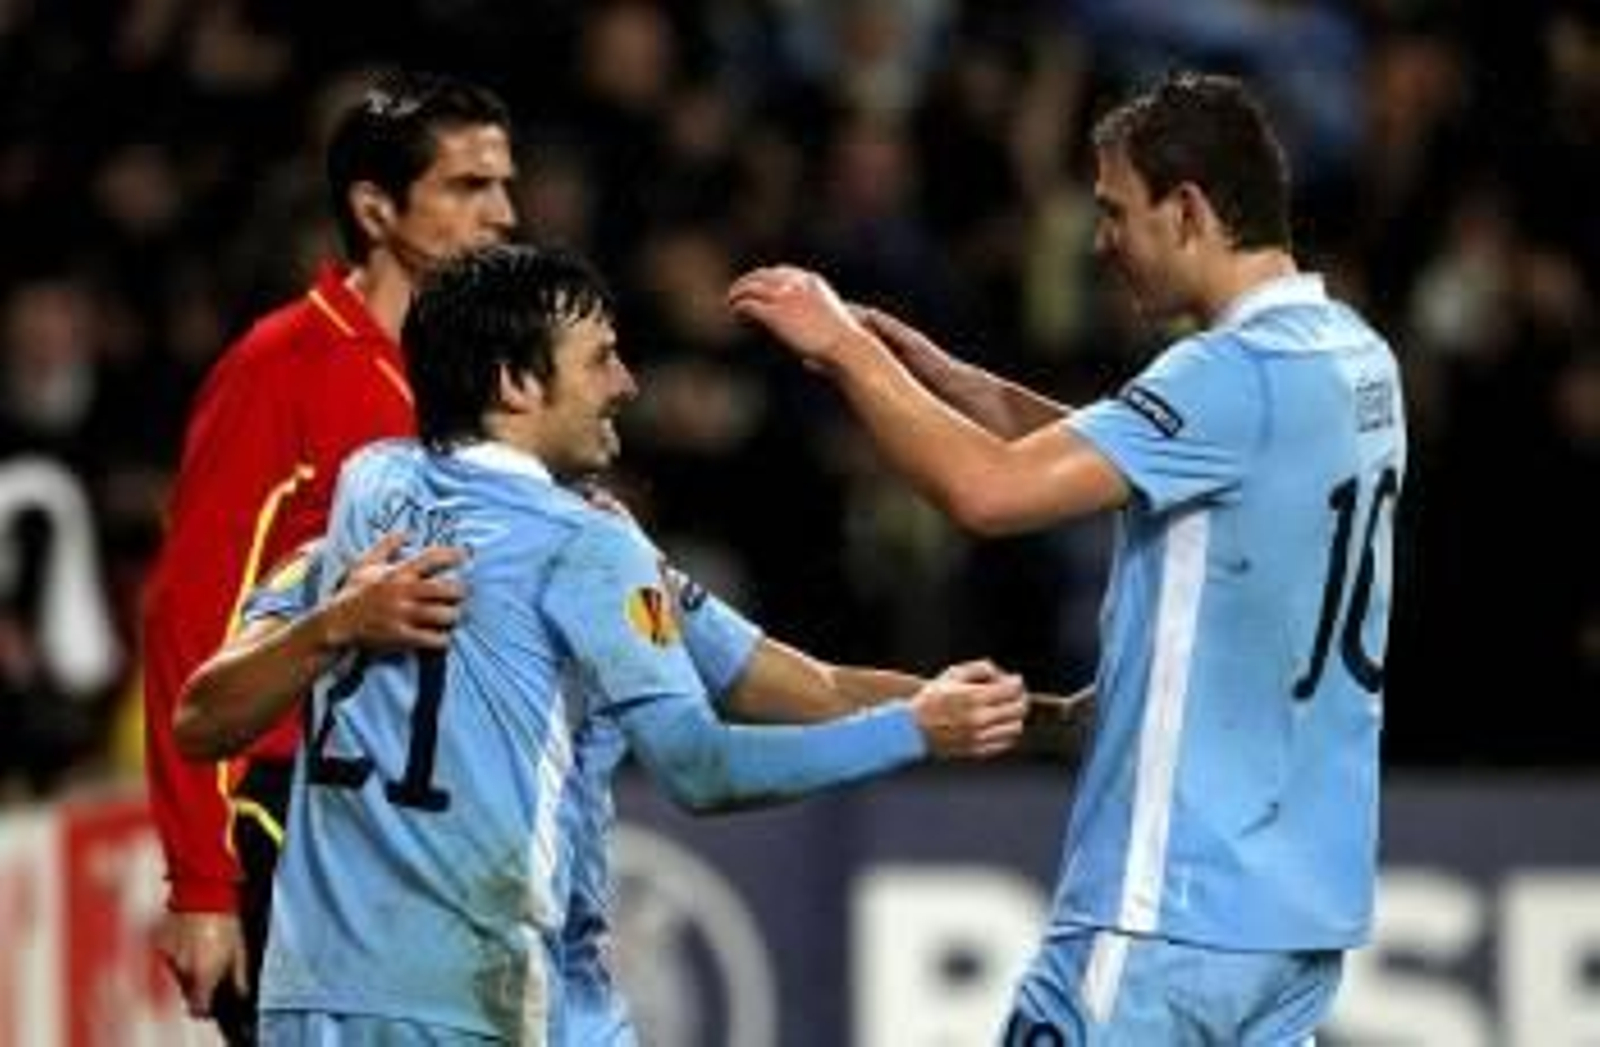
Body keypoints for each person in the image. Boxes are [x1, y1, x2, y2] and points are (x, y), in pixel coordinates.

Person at [729, 70, 1407, 1044]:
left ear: (1187, 211)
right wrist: (958, 383)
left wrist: (843, 348)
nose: (1100, 243)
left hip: (1164, 906)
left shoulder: (1227, 373)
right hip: (1291, 925)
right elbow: (1162, 463)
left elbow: (990, 494)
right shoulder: (1351, 357)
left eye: (1113, 212)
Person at [237, 242, 1027, 1044]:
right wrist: (913, 731)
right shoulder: (584, 543)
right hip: (482, 996)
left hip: (316, 993)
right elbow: (702, 766)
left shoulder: (369, 488)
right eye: (602, 360)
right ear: (514, 383)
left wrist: (1001, 709)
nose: (627, 384)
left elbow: (785, 679)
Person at [141, 68, 517, 1042]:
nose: (503, 214)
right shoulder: (283, 370)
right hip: (284, 818)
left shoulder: (479, 389)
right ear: (375, 209)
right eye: (468, 188)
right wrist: (201, 884)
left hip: (416, 840)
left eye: (504, 185)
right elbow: (189, 623)